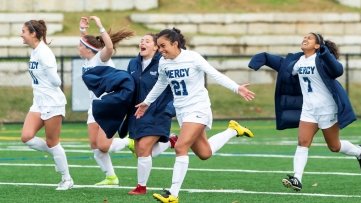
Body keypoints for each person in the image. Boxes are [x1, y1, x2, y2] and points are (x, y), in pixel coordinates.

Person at [134, 28, 256, 203]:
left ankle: (173, 194)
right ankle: (233, 130)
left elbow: (215, 74)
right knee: (204, 153)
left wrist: (237, 88)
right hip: (183, 112)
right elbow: (160, 84)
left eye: (163, 46)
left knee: (180, 147)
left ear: (175, 44)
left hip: (199, 109)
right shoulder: (163, 62)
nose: (160, 50)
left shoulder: (193, 57)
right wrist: (147, 102)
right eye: (159, 47)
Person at [248, 32, 361, 192]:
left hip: (327, 109)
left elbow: (337, 70)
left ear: (318, 46)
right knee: (302, 143)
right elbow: (283, 65)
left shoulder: (322, 59)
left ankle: (359, 151)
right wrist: (263, 58)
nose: (305, 39)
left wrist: (325, 54)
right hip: (309, 110)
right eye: (304, 37)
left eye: (310, 38)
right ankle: (297, 178)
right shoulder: (298, 61)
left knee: (334, 146)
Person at [78, 16, 135, 186]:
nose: (78, 48)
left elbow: (108, 46)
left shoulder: (101, 58)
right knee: (95, 146)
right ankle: (111, 177)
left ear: (87, 49)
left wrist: (100, 26)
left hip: (109, 104)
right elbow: (88, 42)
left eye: (80, 45)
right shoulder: (87, 60)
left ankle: (128, 141)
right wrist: (83, 30)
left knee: (103, 145)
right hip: (95, 105)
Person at [20, 19, 73, 190]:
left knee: (53, 142)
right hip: (39, 103)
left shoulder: (44, 52)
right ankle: (56, 155)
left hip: (52, 103)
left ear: (33, 34)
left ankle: (67, 179)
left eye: (24, 31)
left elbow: (56, 81)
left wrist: (49, 78)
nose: (21, 34)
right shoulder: (34, 51)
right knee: (26, 137)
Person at [126, 34, 178, 195]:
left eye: (147, 41)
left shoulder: (164, 63)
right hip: (137, 113)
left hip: (159, 112)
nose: (142, 42)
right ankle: (170, 141)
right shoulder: (133, 63)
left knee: (143, 148)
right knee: (141, 152)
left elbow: (174, 88)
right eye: (141, 40)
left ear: (156, 47)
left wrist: (170, 109)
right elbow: (128, 87)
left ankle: (141, 187)